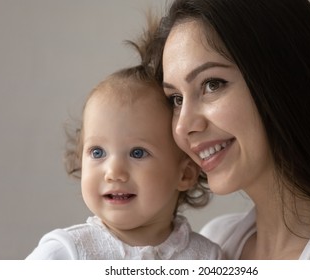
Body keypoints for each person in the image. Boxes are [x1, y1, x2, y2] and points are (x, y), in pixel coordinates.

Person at [146, 0, 310, 259]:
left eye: (212, 84)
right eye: (176, 99)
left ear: (285, 78)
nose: (183, 126)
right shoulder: (213, 243)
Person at [26, 48, 222, 259]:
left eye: (137, 153)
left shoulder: (207, 257)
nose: (113, 172)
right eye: (98, 152)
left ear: (185, 175)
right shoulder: (66, 253)